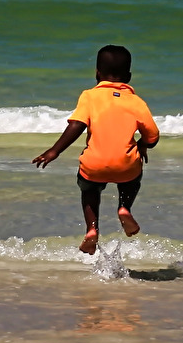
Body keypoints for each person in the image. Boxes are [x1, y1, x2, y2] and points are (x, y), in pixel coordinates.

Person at [32, 44, 159, 255]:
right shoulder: (137, 102)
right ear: (128, 76)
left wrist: (54, 151)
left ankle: (92, 229)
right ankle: (124, 207)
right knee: (131, 180)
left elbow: (76, 125)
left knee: (89, 190)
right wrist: (142, 145)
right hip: (126, 166)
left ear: (97, 74)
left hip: (94, 165)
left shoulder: (89, 97)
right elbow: (153, 136)